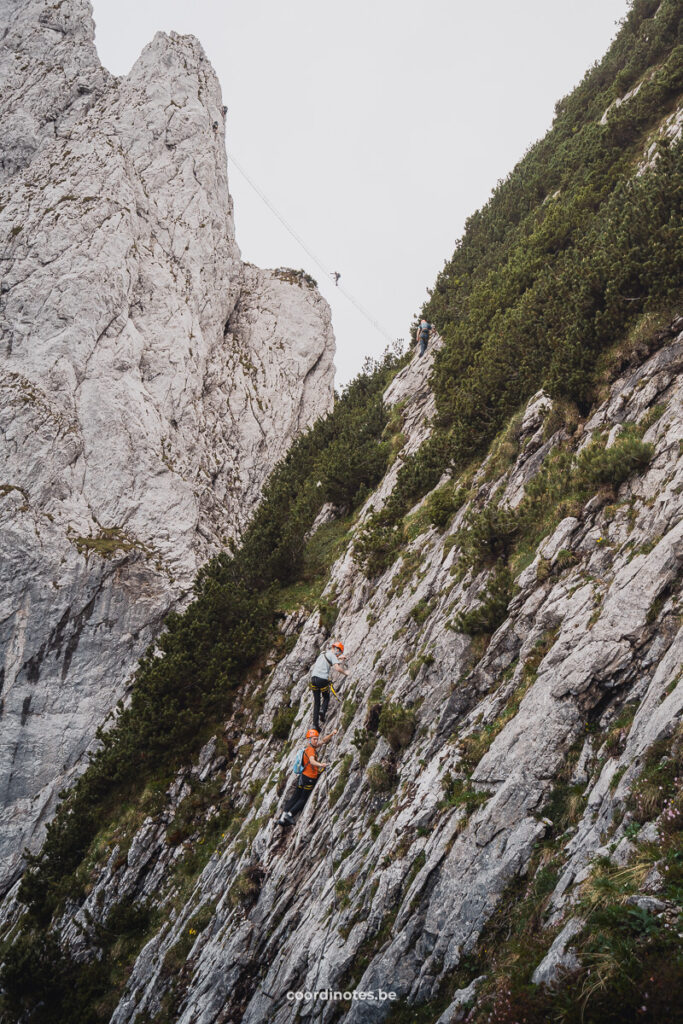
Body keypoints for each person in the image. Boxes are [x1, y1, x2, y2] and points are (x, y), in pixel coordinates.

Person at [278, 727, 338, 825]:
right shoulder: (310, 750)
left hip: (303, 777)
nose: (316, 740)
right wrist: (321, 765)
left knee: (295, 796)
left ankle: (282, 818)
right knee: (303, 799)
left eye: (316, 738)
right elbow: (312, 761)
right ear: (309, 740)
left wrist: (331, 734)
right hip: (309, 778)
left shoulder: (310, 747)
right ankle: (289, 814)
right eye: (314, 739)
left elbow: (323, 741)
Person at [309, 641, 348, 729]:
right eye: (340, 652)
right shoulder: (333, 655)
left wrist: (339, 659)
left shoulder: (323, 653)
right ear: (337, 650)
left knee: (317, 703)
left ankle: (315, 725)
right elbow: (337, 668)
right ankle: (323, 711)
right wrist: (346, 672)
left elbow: (329, 660)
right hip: (322, 679)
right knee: (326, 697)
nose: (339, 654)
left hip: (313, 679)